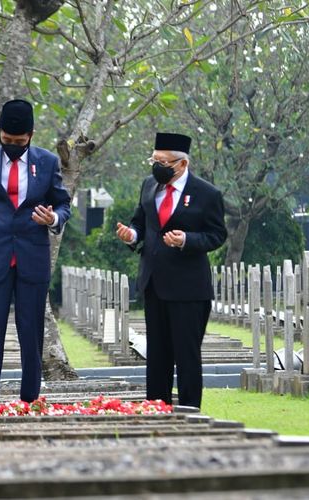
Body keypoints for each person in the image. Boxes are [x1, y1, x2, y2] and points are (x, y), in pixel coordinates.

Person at [0, 99, 71, 404]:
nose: (12, 146)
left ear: (31, 136)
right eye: (6, 141)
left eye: (19, 142)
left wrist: (53, 219)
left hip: (32, 258)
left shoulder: (48, 162)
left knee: (31, 332)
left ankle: (30, 400)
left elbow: (63, 204)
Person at [115, 132, 227, 408]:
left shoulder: (206, 194)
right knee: (157, 355)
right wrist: (131, 235)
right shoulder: (149, 186)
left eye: (164, 162)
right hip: (154, 282)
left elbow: (216, 235)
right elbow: (140, 222)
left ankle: (190, 411)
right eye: (155, 160)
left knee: (186, 355)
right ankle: (156, 408)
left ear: (182, 164)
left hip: (188, 287)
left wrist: (187, 240)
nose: (158, 167)